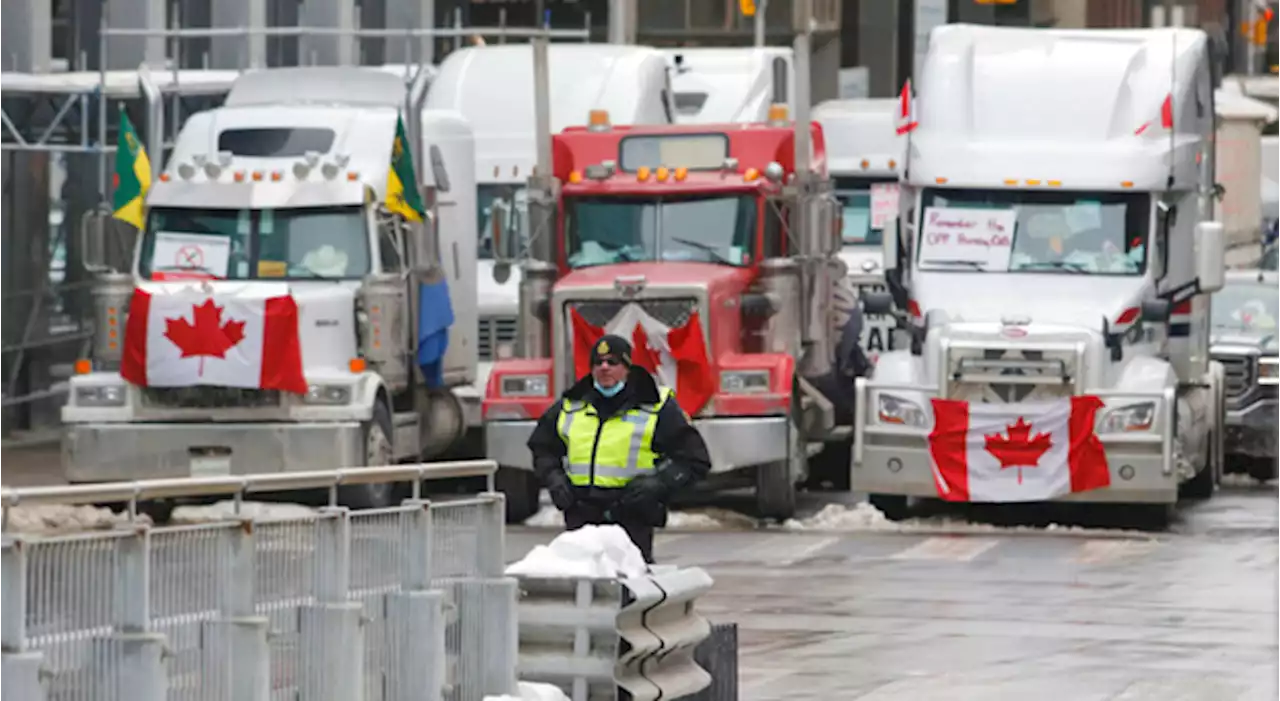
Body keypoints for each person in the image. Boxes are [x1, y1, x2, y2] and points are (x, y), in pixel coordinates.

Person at [526, 333, 712, 563]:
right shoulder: (571, 405)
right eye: (598, 362)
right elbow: (542, 447)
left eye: (612, 362)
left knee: (631, 591)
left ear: (627, 368)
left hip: (631, 518)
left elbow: (696, 461)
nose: (604, 368)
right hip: (582, 518)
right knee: (584, 591)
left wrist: (658, 484)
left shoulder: (655, 407)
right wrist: (554, 479)